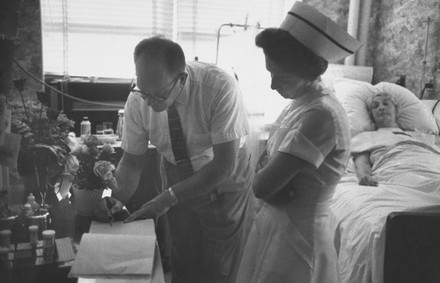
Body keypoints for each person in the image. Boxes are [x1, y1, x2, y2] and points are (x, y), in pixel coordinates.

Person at [98, 36, 255, 283]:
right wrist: (114, 199)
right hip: (175, 169)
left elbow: (224, 165)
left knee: (218, 267)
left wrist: (165, 199)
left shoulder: (219, 87)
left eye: (158, 95)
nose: (149, 101)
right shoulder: (139, 99)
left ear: (181, 78)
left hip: (222, 175)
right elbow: (131, 163)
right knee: (183, 258)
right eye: (143, 91)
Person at [235, 2, 361, 283]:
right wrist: (267, 180)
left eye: (280, 77)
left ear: (311, 70)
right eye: (270, 73)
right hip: (277, 224)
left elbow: (260, 184)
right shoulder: (300, 102)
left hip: (299, 235)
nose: (272, 85)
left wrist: (266, 183)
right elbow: (265, 163)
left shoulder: (321, 114)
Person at [353, 92, 399, 186]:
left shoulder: (417, 135)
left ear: (397, 111)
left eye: (386, 104)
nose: (381, 108)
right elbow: (362, 163)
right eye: (375, 106)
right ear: (371, 115)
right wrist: (365, 177)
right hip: (397, 172)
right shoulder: (367, 137)